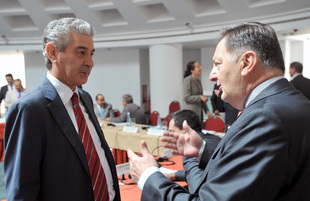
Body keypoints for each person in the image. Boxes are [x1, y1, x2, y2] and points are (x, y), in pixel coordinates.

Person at [127, 22, 310, 200]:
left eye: (218, 63)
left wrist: (149, 176)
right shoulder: (293, 103)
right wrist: (203, 150)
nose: (212, 75)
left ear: (247, 62)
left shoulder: (264, 116)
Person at [4, 18, 120, 201]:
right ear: (53, 53)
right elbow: (21, 192)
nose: (90, 62)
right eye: (81, 52)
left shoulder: (85, 99)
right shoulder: (29, 109)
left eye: (91, 54)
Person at [163, 110, 221, 193]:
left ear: (185, 130)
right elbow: (207, 172)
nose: (169, 135)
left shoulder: (192, 152)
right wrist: (174, 175)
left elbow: (199, 193)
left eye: (171, 132)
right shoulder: (214, 140)